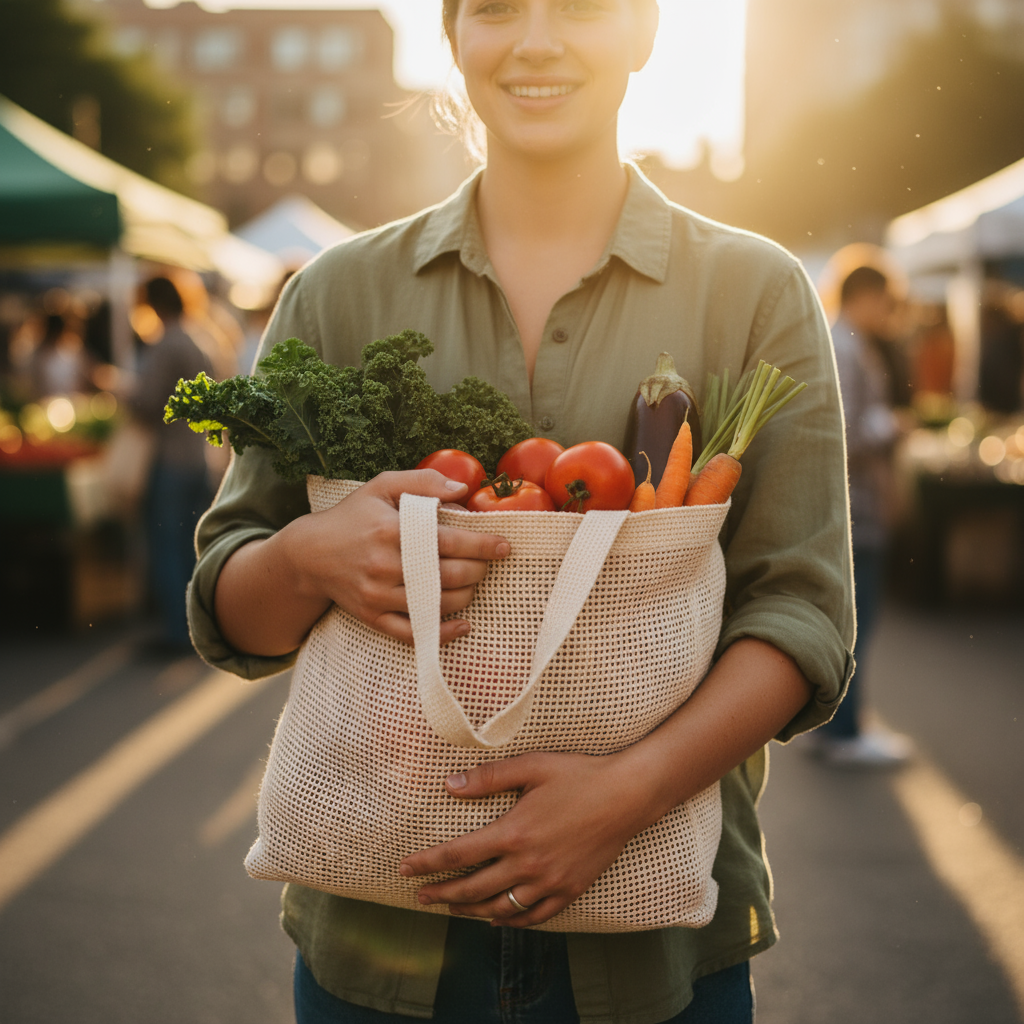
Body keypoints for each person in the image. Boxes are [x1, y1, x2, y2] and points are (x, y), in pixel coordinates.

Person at [188, 2, 853, 1021]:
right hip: (377, 939)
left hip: (653, 946)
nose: (536, 39)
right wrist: (307, 558)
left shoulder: (753, 291)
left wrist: (626, 793)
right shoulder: (337, 292)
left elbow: (801, 614)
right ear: (452, 35)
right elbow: (233, 611)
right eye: (496, 6)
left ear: (644, 31)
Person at [811, 264, 912, 768]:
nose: (889, 313)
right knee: (855, 621)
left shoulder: (843, 342)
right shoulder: (847, 347)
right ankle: (843, 731)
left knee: (845, 619)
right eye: (886, 301)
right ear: (867, 295)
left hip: (849, 504)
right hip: (854, 507)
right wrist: (891, 425)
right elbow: (845, 433)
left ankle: (835, 723)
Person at [131, 275, 214, 653]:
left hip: (171, 460)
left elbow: (147, 403)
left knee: (166, 544)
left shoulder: (166, 345)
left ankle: (176, 632)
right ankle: (197, 628)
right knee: (190, 547)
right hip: (200, 457)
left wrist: (119, 391)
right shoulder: (200, 340)